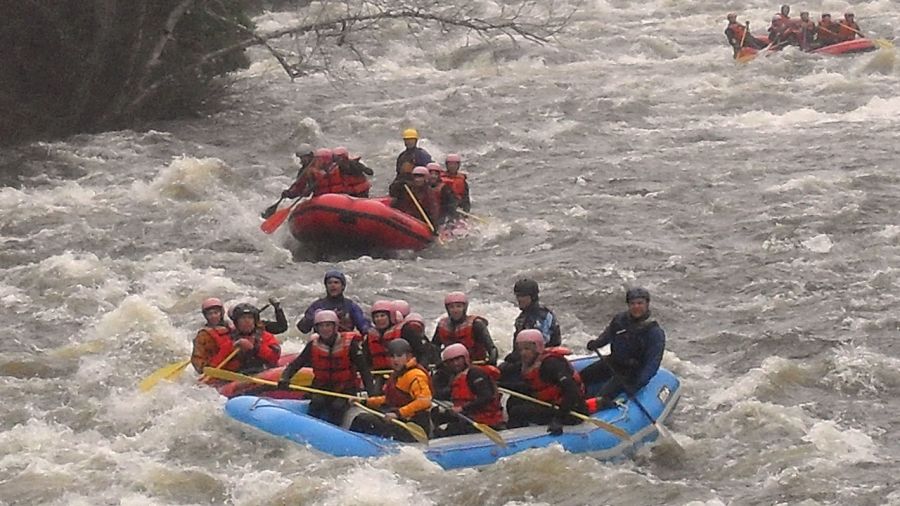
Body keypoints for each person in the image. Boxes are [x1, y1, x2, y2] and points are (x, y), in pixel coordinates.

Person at [278, 310, 375, 425]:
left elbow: (364, 370)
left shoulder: (350, 345)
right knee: (316, 403)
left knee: (337, 407)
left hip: (345, 390)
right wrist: (285, 377)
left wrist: (372, 395)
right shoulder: (313, 345)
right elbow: (296, 364)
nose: (325, 329)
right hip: (322, 388)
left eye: (328, 325)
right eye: (321, 326)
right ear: (317, 328)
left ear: (335, 327)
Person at [580, 287, 666, 410]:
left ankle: (590, 409)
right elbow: (607, 336)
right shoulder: (620, 320)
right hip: (613, 361)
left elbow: (653, 362)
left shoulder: (654, 332)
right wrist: (596, 343)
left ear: (647, 304)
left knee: (602, 396)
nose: (636, 307)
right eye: (632, 304)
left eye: (640, 303)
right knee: (581, 377)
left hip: (631, 372)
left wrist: (638, 383)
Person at [505, 329, 586, 435]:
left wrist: (559, 419)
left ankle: (516, 439)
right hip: (550, 404)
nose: (523, 353)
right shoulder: (529, 364)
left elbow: (572, 392)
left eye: (527, 349)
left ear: (538, 348)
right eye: (520, 350)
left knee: (518, 411)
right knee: (513, 400)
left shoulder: (551, 364)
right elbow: (531, 387)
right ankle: (517, 430)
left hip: (571, 410)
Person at [350, 339, 433, 441]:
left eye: (399, 356)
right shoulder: (398, 375)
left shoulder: (416, 375)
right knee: (362, 418)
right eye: (392, 356)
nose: (395, 360)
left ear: (408, 356)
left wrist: (398, 413)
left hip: (414, 426)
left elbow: (424, 401)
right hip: (400, 421)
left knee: (363, 420)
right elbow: (389, 399)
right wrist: (364, 401)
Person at [432, 344, 504, 437]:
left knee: (442, 431)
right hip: (468, 417)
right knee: (437, 414)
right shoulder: (456, 377)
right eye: (451, 361)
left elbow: (486, 397)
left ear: (465, 358)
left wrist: (462, 408)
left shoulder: (475, 373)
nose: (455, 364)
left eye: (458, 359)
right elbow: (447, 393)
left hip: (486, 421)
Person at [432, 291, 498, 365]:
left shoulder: (477, 324)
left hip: (476, 364)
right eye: (452, 307)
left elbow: (492, 348)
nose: (455, 310)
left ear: (465, 308)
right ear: (447, 309)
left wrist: (492, 360)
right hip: (451, 367)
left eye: (459, 306)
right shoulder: (442, 325)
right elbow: (434, 347)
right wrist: (437, 361)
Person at [296, 270, 371, 334]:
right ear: (326, 286)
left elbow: (363, 326)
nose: (333, 285)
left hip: (345, 345)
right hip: (322, 344)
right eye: (329, 283)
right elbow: (303, 329)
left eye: (336, 282)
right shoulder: (317, 306)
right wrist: (313, 318)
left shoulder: (350, 306)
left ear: (343, 286)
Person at [226, 303, 282, 374]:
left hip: (264, 371)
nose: (247, 321)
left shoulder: (265, 336)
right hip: (241, 374)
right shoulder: (230, 338)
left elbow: (274, 358)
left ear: (255, 321)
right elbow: (218, 361)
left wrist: (254, 348)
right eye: (243, 318)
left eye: (250, 317)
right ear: (236, 322)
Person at [190, 297, 235, 373]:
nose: (213, 316)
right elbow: (197, 359)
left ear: (221, 313)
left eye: (216, 313)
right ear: (206, 316)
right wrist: (205, 369)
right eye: (210, 314)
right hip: (216, 367)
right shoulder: (203, 335)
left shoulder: (232, 328)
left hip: (234, 365)